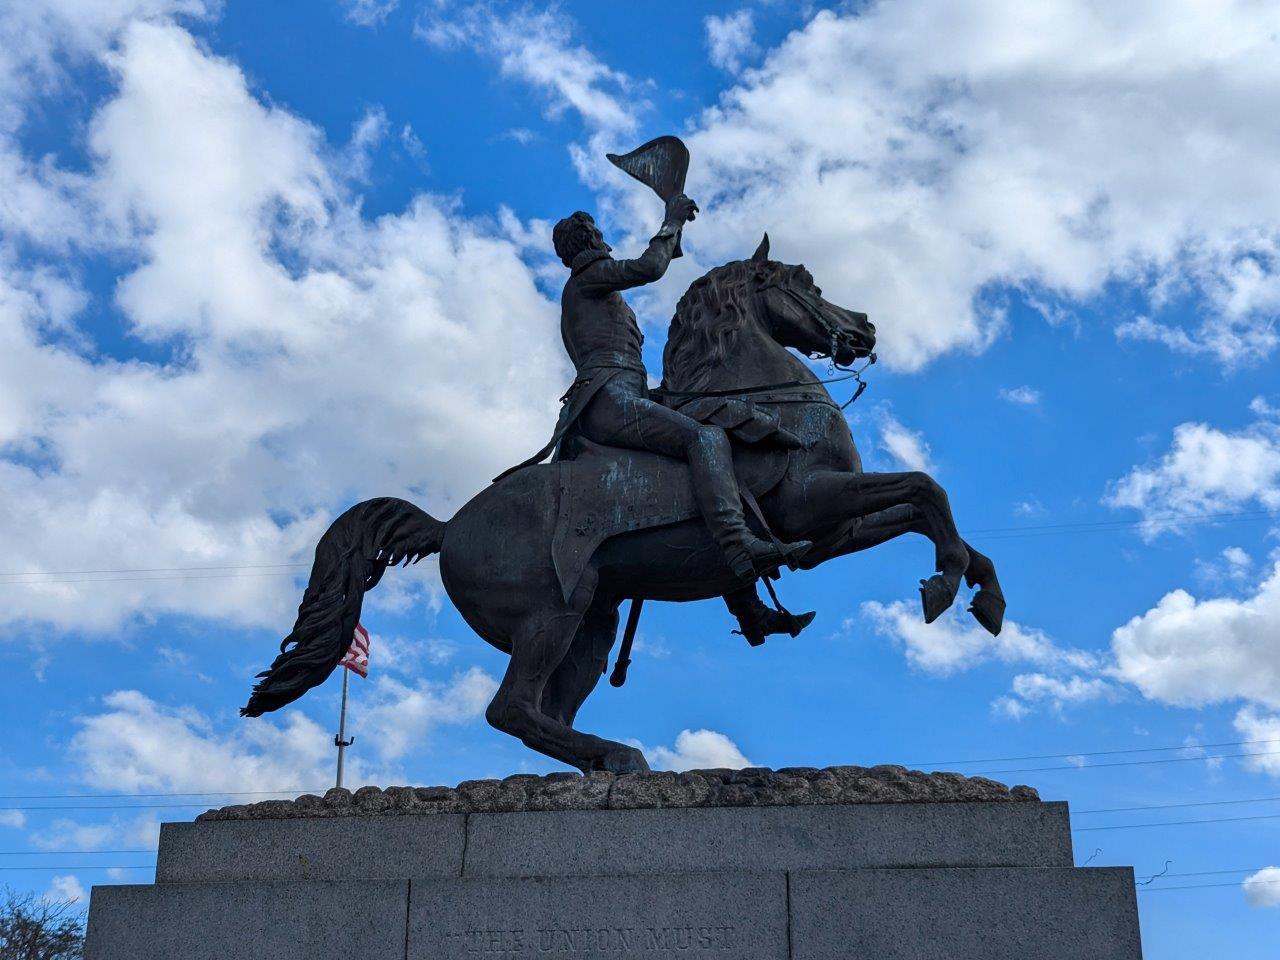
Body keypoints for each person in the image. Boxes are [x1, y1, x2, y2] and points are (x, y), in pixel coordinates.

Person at [511, 194, 810, 583]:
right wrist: (671, 223)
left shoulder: (587, 289)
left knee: (708, 453)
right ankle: (738, 544)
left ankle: (747, 604)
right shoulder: (589, 277)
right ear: (588, 241)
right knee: (705, 440)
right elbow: (649, 268)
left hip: (625, 393)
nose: (607, 242)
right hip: (610, 399)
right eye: (600, 235)